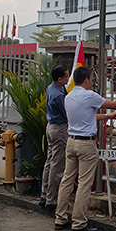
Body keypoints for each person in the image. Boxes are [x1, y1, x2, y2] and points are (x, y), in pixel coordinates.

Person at [54, 66, 116, 231]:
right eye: (90, 79)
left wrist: (107, 117)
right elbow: (115, 104)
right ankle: (79, 222)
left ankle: (60, 217)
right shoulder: (89, 96)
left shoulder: (69, 96)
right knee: (84, 184)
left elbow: (86, 115)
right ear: (86, 80)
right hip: (86, 144)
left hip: (71, 141)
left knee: (67, 180)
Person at [38, 64, 70, 210]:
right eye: (66, 76)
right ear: (59, 79)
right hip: (59, 128)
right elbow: (66, 113)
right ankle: (51, 199)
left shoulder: (52, 88)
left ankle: (44, 194)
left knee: (50, 161)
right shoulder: (58, 94)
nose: (68, 79)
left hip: (51, 126)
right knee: (57, 164)